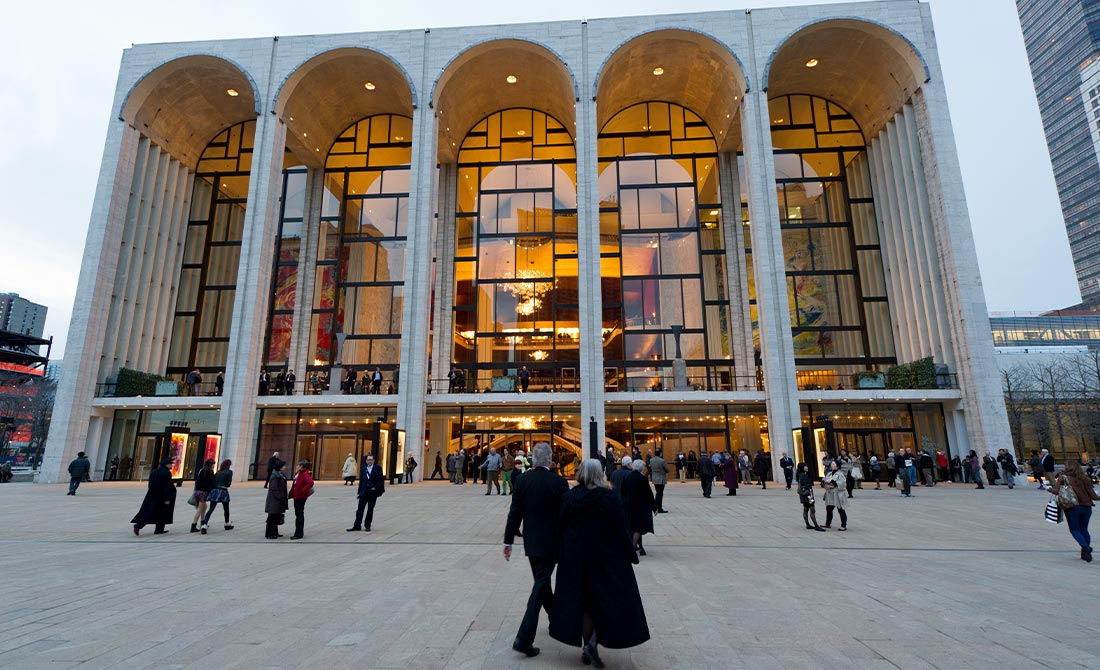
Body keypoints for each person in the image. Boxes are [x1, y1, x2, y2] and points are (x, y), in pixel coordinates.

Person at [549, 459, 650, 667]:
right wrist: (631, 553)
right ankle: (592, 643)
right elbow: (621, 528)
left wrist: (557, 553)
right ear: (600, 474)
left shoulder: (569, 497)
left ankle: (589, 645)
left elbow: (560, 526)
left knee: (585, 600)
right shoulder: (608, 497)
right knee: (608, 599)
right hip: (605, 557)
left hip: (576, 557)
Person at [503, 442, 569, 658]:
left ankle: (556, 620)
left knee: (542, 583)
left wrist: (508, 541)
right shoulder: (559, 482)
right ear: (549, 460)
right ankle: (524, 638)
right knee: (541, 585)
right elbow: (565, 516)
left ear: (532, 459)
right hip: (551, 543)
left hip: (531, 543)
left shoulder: (522, 480)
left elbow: (515, 512)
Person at [1047, 459, 1100, 562]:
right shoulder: (1085, 479)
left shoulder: (1063, 478)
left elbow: (1056, 491)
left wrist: (1048, 488)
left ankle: (1085, 547)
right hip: (1086, 507)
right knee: (1084, 529)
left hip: (1072, 507)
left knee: (1075, 530)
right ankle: (1085, 552)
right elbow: (1094, 496)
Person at [620, 459, 657, 556]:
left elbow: (623, 491)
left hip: (630, 505)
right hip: (641, 506)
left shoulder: (628, 477)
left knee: (635, 526)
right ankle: (632, 548)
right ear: (641, 468)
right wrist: (654, 508)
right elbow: (649, 494)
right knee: (639, 528)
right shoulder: (642, 479)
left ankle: (641, 547)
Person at [132, 458, 177, 535]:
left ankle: (140, 525)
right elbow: (167, 486)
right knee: (162, 512)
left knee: (149, 511)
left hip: (152, 494)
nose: (171, 466)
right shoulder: (166, 473)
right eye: (171, 464)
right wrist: (167, 498)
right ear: (167, 464)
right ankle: (157, 529)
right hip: (161, 496)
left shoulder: (154, 471)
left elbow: (150, 484)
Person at [347, 454, 385, 531]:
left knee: (370, 509)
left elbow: (380, 479)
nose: (369, 461)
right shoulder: (363, 469)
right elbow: (361, 482)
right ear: (366, 461)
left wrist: (376, 487)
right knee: (360, 509)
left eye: (371, 460)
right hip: (364, 492)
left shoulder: (377, 468)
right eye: (368, 460)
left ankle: (367, 525)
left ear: (373, 461)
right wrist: (359, 492)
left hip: (372, 492)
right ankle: (357, 525)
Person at [203, 459, 234, 531]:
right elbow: (228, 483)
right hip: (223, 490)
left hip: (215, 490)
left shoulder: (218, 472)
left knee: (211, 508)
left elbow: (213, 482)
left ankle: (204, 524)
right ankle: (227, 523)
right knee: (226, 508)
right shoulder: (229, 472)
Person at [288, 460, 314, 539]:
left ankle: (298, 533)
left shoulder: (304, 474)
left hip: (300, 497)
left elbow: (310, 482)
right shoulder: (299, 473)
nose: (297, 466)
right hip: (297, 496)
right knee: (298, 514)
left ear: (302, 466)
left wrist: (302, 490)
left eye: (298, 465)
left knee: (299, 515)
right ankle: (298, 532)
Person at [797, 462, 826, 531]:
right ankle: (816, 525)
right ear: (802, 468)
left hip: (804, 495)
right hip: (808, 494)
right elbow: (806, 485)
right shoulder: (804, 475)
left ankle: (808, 524)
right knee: (812, 509)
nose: (807, 467)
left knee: (806, 509)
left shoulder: (800, 475)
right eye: (805, 466)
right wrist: (810, 492)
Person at [264, 460, 288, 539]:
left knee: (276, 516)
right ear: (280, 467)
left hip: (278, 499)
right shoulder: (274, 476)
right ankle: (270, 533)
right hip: (274, 500)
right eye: (283, 466)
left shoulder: (280, 475)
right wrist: (280, 496)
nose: (285, 467)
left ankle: (275, 532)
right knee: (272, 517)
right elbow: (274, 489)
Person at [191, 458, 215, 534]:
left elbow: (197, 481)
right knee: (200, 508)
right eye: (213, 465)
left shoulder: (202, 470)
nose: (213, 466)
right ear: (211, 465)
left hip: (198, 491)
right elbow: (210, 483)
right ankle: (193, 525)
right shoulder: (209, 472)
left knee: (204, 507)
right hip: (203, 492)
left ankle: (203, 522)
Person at [822, 460, 848, 531]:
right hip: (830, 494)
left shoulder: (840, 474)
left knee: (841, 509)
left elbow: (843, 484)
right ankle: (827, 524)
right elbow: (826, 483)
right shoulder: (829, 474)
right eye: (832, 464)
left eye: (834, 464)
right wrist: (824, 482)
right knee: (829, 509)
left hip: (837, 494)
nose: (832, 465)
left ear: (837, 466)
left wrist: (834, 482)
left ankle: (843, 525)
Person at [648, 448, 670, 513]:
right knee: (660, 494)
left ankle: (656, 506)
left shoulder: (651, 460)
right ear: (660, 453)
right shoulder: (662, 461)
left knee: (658, 493)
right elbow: (668, 469)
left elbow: (651, 467)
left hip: (655, 478)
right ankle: (658, 507)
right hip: (661, 479)